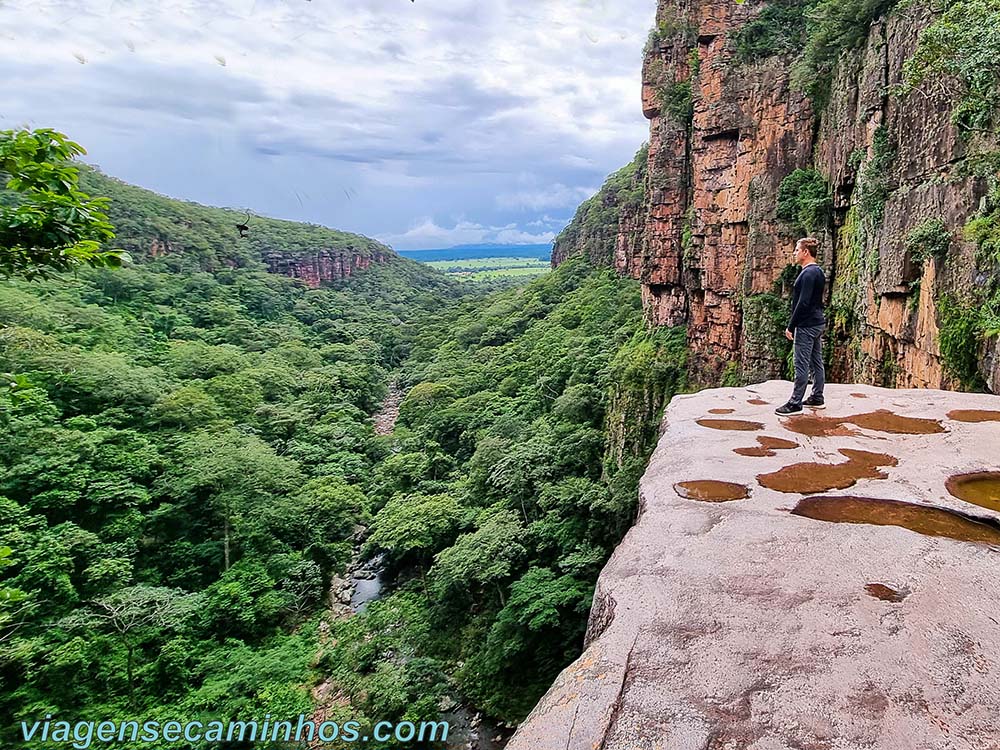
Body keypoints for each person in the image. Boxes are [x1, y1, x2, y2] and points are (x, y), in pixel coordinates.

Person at [775, 237, 826, 415]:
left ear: (805, 252)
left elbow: (803, 303)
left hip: (806, 324)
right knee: (816, 361)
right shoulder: (818, 271)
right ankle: (817, 397)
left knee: (801, 364)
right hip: (818, 322)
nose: (794, 253)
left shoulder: (807, 273)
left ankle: (795, 402)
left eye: (797, 250)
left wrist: (791, 326)